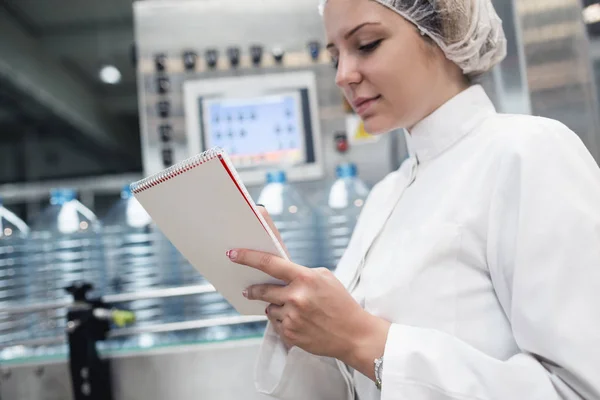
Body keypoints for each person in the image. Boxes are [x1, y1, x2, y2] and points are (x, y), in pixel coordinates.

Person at [226, 0, 600, 398]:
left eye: (366, 44)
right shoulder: (386, 195)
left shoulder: (529, 152)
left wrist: (364, 340)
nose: (343, 75)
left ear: (443, 33)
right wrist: (297, 312)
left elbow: (579, 387)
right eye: (335, 56)